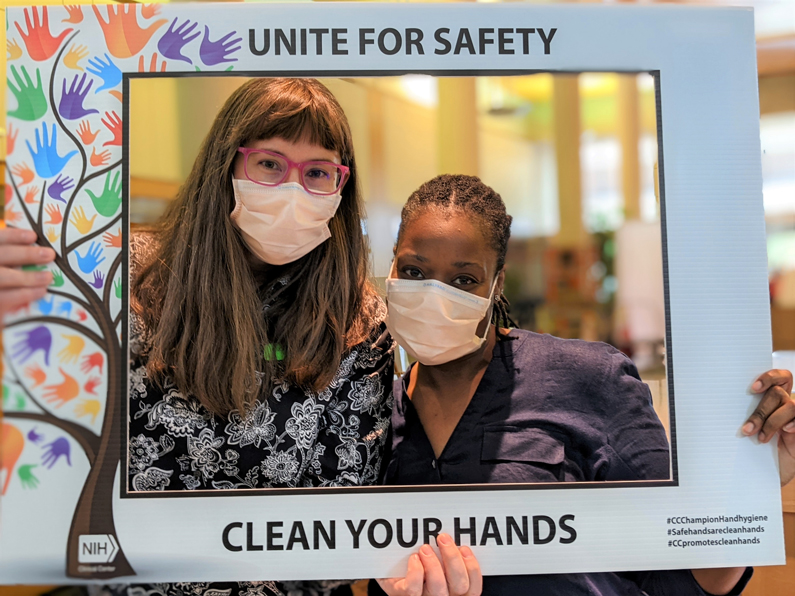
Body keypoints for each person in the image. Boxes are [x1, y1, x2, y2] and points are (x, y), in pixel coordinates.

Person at [2, 77, 396, 596]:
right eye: (270, 164)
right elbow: (51, 441)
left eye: (318, 172)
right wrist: (20, 319)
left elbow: (346, 520)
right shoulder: (125, 281)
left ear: (341, 187)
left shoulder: (357, 322)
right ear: (227, 164)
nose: (292, 190)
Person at [370, 174, 795, 596]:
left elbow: (682, 578)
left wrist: (750, 480)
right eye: (413, 271)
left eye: (464, 279)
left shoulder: (587, 377)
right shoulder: (368, 413)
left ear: (497, 283)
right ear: (390, 267)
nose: (433, 294)